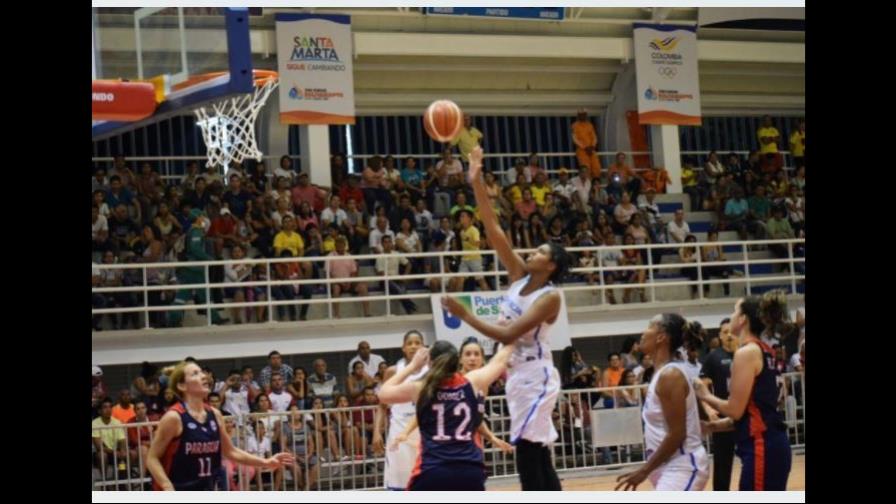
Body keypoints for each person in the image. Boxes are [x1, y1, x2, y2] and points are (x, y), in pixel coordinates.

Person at [441, 146, 569, 490]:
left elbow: (510, 332)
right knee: (537, 453)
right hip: (518, 375)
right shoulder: (519, 276)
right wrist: (475, 179)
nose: (533, 251)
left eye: (541, 251)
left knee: (527, 453)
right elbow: (492, 225)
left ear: (552, 265)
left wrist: (465, 314)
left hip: (536, 373)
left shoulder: (550, 297)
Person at [377, 340, 515, 491]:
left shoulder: (421, 388)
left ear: (429, 363)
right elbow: (501, 359)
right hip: (470, 469)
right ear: (457, 360)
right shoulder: (472, 382)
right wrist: (517, 333)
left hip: (433, 470)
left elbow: (383, 394)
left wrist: (412, 366)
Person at [694, 294, 793, 490]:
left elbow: (734, 410)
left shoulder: (746, 353)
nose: (731, 315)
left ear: (743, 319)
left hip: (762, 446)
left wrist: (704, 394)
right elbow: (750, 413)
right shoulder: (763, 349)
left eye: (734, 310)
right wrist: (711, 426)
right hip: (769, 443)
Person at [145, 361, 294, 490]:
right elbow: (152, 458)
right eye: (195, 374)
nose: (204, 376)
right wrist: (167, 486)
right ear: (182, 385)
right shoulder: (174, 417)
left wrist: (266, 462)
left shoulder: (215, 415)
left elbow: (231, 451)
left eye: (202, 372)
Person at [615, 313, 709, 491]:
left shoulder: (670, 375)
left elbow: (677, 434)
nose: (643, 333)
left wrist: (644, 470)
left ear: (661, 337)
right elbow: (697, 415)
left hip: (682, 465)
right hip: (667, 466)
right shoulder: (662, 373)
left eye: (649, 326)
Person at [390, 338, 515, 456]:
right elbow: (423, 411)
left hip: (468, 438)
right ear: (459, 359)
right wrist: (406, 432)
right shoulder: (449, 380)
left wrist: (492, 438)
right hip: (443, 441)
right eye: (468, 354)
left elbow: (475, 417)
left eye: (477, 354)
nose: (472, 358)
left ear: (483, 359)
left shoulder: (482, 385)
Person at [372, 330, 429, 490]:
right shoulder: (392, 371)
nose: (413, 346)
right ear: (403, 347)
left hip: (424, 431)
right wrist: (377, 431)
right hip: (399, 432)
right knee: (399, 484)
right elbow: (382, 405)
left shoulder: (432, 371)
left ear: (423, 347)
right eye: (409, 343)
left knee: (427, 481)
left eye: (417, 343)